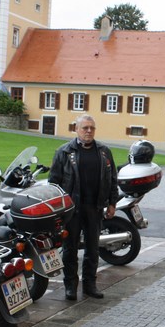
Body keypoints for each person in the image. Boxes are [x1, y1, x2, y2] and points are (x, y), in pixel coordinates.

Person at [49, 114, 119, 300]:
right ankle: (70, 286)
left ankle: (90, 285)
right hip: (71, 210)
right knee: (70, 249)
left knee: (93, 249)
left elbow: (112, 179)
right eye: (85, 128)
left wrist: (112, 203)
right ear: (76, 129)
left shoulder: (104, 151)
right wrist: (58, 210)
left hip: (94, 208)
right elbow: (53, 184)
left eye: (92, 128)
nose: (89, 131)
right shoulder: (64, 152)